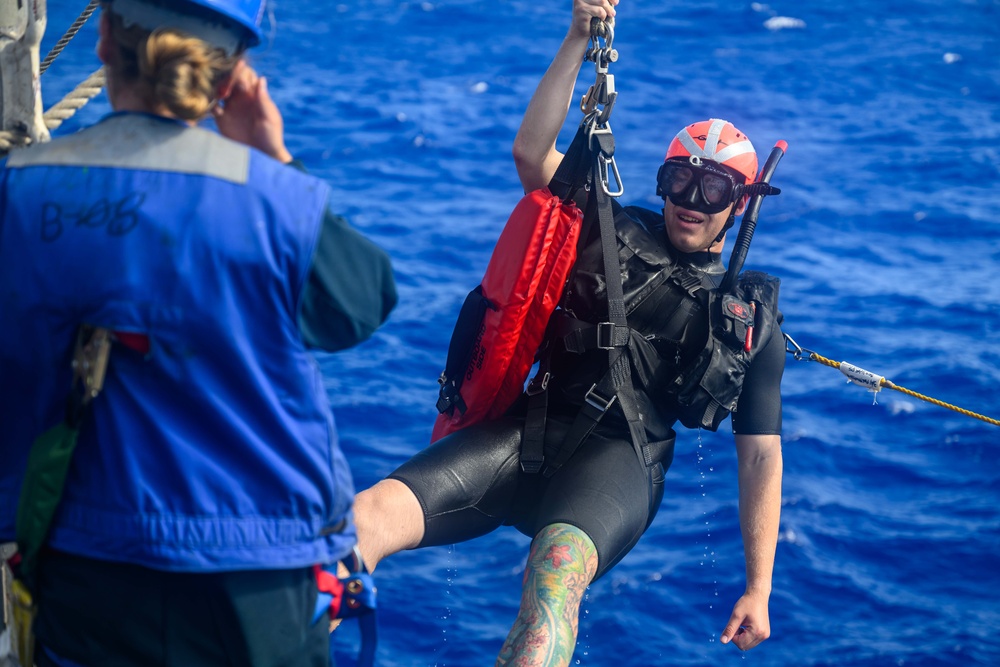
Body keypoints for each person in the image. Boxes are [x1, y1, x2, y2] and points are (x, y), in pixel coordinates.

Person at [356, 0, 783, 664]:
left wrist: (759, 586)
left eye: (712, 188)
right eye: (679, 180)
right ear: (662, 180)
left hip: (619, 465)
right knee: (367, 514)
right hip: (527, 429)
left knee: (552, 584)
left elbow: (759, 453)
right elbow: (532, 155)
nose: (690, 202)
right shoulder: (608, 225)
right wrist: (577, 38)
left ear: (741, 199)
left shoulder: (750, 320)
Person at [0, 0, 397, 665]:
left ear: (103, 40)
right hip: (255, 578)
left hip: (87, 565)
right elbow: (361, 302)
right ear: (231, 73)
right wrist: (275, 155)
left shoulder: (22, 195)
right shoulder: (276, 201)